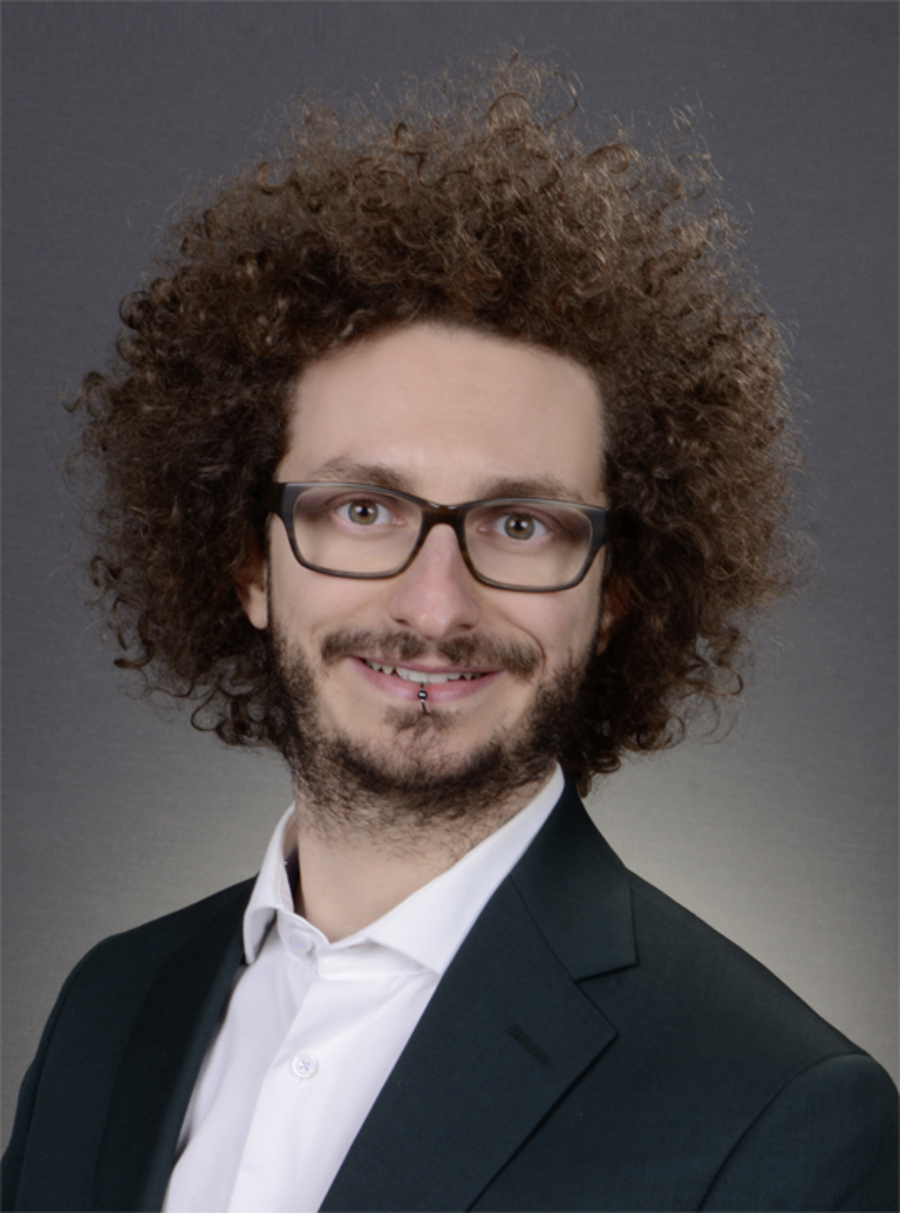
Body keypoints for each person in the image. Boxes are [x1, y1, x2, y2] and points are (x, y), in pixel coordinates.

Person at [2, 57, 897, 1213]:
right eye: (362, 509)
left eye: (519, 524)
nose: (435, 607)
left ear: (615, 588)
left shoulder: (788, 1118)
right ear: (246, 562)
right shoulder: (109, 1009)